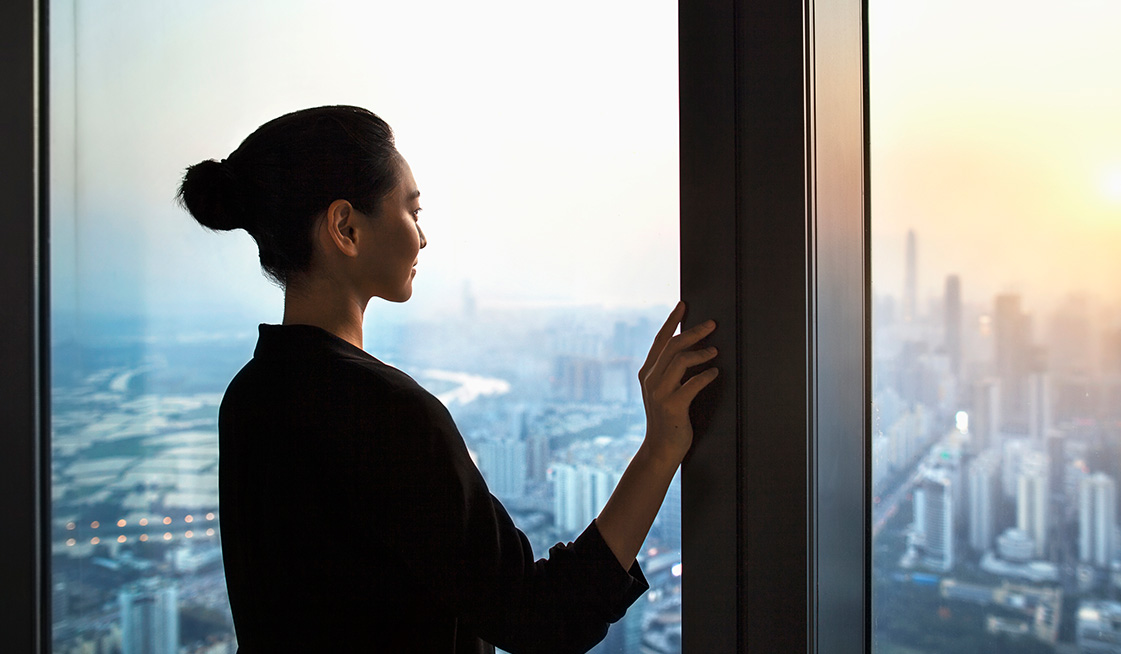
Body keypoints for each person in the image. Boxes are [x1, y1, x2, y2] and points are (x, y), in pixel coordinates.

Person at [177, 105, 719, 653]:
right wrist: (660, 449)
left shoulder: (250, 396)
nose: (423, 237)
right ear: (346, 228)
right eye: (412, 211)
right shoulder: (386, 412)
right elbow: (540, 615)